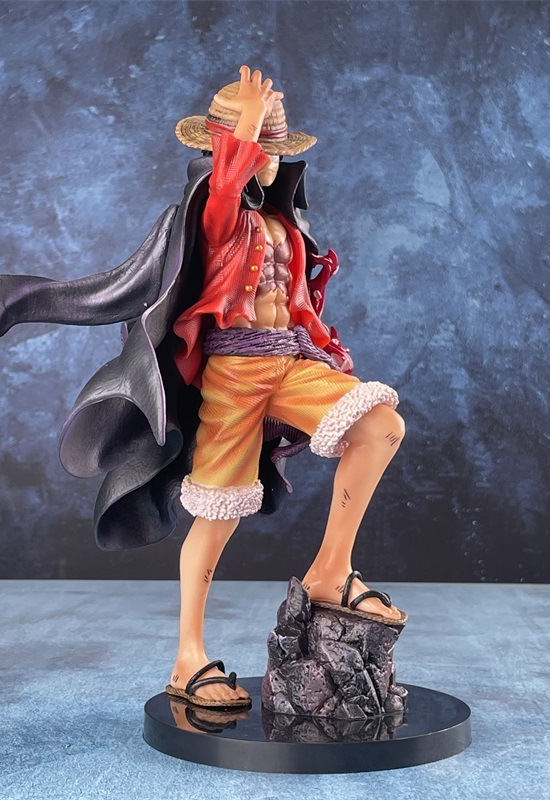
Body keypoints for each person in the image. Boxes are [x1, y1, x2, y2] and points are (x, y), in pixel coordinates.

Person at [164, 66, 407, 708]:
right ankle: (187, 656)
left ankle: (331, 569)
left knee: (381, 424)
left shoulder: (280, 223)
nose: (267, 159)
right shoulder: (217, 218)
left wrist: (322, 345)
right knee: (216, 515)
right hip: (234, 376)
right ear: (227, 150)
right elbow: (225, 186)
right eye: (256, 147)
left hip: (289, 363)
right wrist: (244, 127)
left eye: (275, 147)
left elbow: (297, 301)